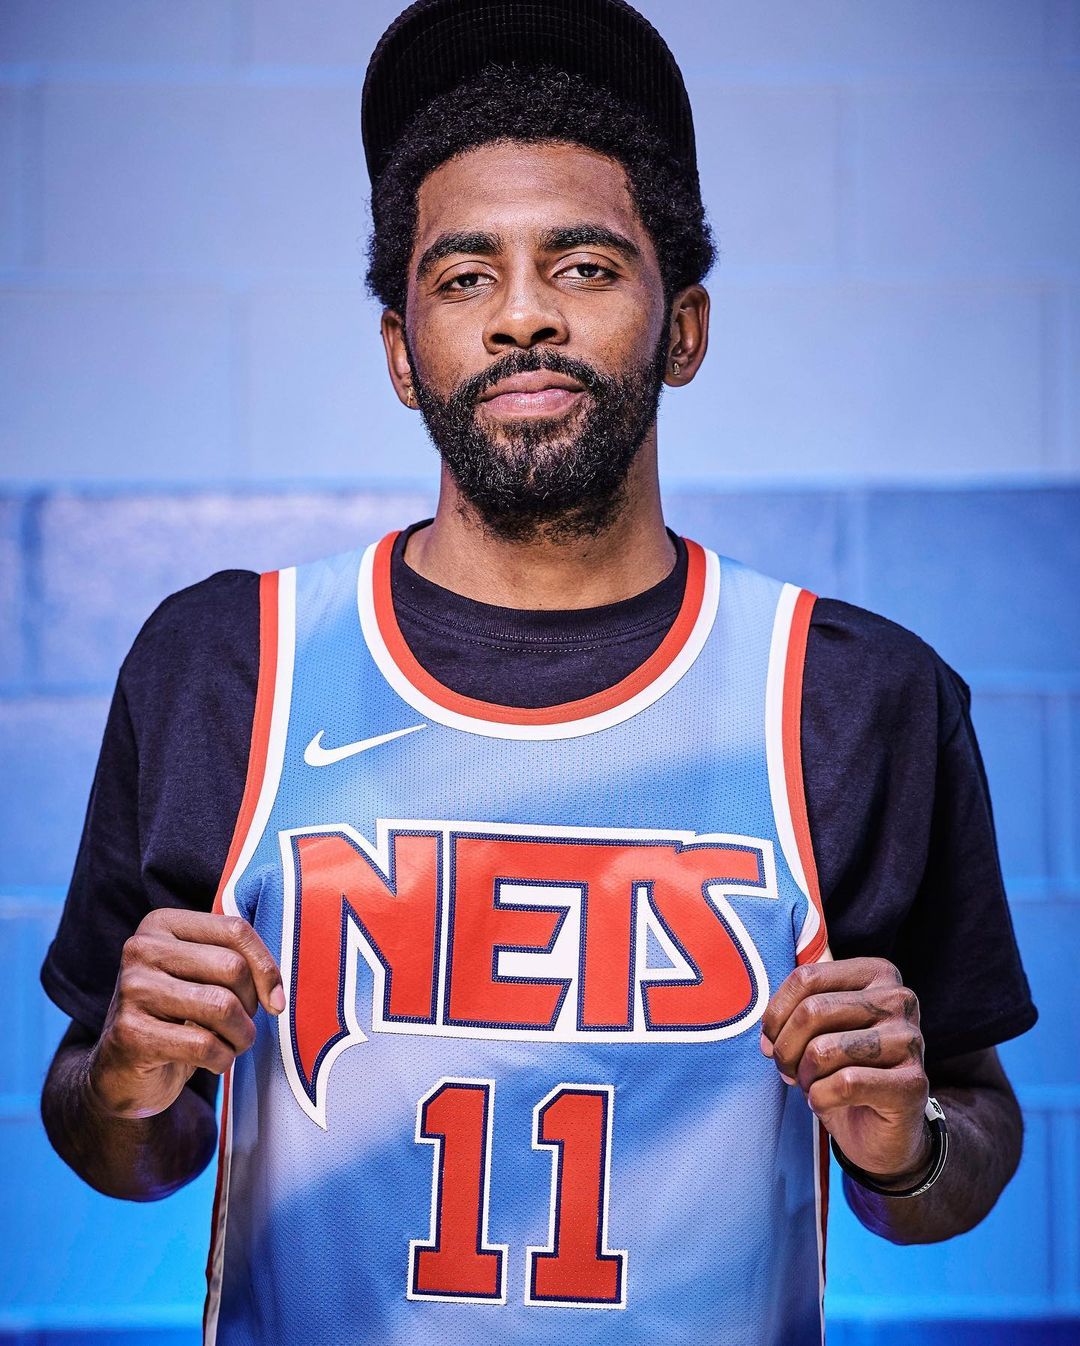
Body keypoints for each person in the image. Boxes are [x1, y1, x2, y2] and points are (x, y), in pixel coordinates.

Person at [39, 2, 1037, 1343]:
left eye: (583, 266)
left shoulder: (857, 696)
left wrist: (906, 1144)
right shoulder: (227, 664)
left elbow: (964, 1149)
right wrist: (126, 1081)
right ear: (401, 353)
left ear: (685, 328)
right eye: (463, 277)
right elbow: (115, 1140)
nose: (521, 316)